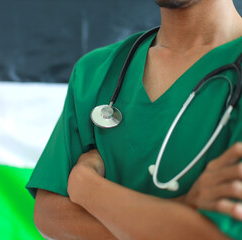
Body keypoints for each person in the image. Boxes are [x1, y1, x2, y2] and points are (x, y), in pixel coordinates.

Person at [26, 0, 242, 239]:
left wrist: (86, 186)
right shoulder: (96, 70)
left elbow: (212, 234)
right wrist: (179, 211)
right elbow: (50, 213)